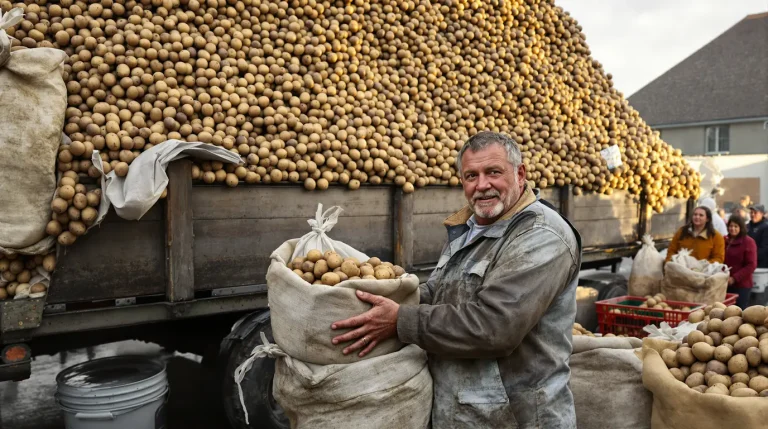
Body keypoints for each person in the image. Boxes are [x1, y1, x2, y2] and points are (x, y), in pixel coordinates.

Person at [330, 131, 581, 428]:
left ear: (520, 174)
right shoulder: (471, 227)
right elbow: (439, 291)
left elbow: (494, 328)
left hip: (516, 417)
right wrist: (384, 296)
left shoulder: (541, 235)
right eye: (471, 176)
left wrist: (400, 320)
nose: (482, 185)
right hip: (463, 413)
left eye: (493, 172)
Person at [724, 215, 757, 309]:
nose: (732, 229)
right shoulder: (724, 240)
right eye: (730, 226)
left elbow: (751, 265)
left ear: (741, 227)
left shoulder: (748, 242)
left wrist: (734, 278)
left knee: (739, 313)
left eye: (736, 226)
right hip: (724, 283)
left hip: (741, 286)